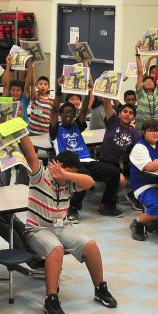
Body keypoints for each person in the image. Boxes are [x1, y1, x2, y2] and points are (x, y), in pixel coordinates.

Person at [18, 135, 117, 314]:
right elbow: (30, 153)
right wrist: (19, 129)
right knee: (56, 250)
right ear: (56, 165)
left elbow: (89, 182)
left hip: (62, 227)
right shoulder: (40, 176)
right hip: (37, 229)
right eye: (64, 173)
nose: (66, 181)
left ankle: (100, 289)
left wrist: (65, 175)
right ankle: (51, 299)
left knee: (91, 246)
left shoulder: (69, 181)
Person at [49, 80, 123, 219]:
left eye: (71, 112)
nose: (68, 114)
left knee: (114, 173)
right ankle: (73, 208)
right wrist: (59, 89)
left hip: (87, 160)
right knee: (85, 176)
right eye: (65, 112)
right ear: (60, 114)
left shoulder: (77, 125)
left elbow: (83, 110)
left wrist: (89, 92)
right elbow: (53, 111)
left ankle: (105, 205)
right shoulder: (55, 130)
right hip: (69, 163)